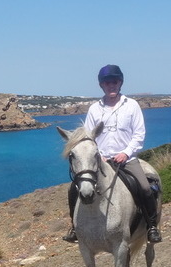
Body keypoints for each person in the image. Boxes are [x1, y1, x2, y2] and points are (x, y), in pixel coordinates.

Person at [63, 64, 162, 244]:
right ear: (102, 85)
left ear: (120, 83)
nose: (111, 85)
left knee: (145, 188)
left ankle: (152, 226)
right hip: (101, 160)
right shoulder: (94, 109)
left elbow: (139, 134)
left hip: (126, 159)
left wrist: (125, 153)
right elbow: (88, 137)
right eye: (107, 82)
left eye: (114, 81)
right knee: (73, 189)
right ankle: (74, 228)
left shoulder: (132, 106)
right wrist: (98, 155)